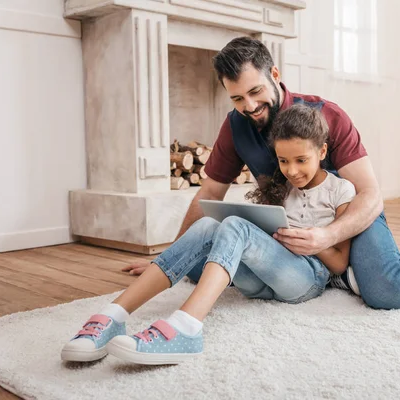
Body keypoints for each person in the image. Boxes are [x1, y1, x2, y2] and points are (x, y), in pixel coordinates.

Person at [123, 36, 400, 309]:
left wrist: (327, 236)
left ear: (274, 73)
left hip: (346, 216)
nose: (250, 106)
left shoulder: (328, 115)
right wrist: (170, 257)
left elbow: (370, 194)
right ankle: (338, 275)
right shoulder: (235, 125)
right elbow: (209, 192)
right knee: (193, 269)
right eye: (237, 98)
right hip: (293, 229)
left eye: (256, 92)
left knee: (388, 292)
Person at [61, 104, 357, 364]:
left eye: (301, 160)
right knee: (208, 225)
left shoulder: (340, 190)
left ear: (322, 151)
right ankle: (113, 316)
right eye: (283, 161)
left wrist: (313, 241)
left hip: (306, 278)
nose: (291, 170)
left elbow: (339, 263)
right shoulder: (282, 186)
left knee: (234, 226)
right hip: (260, 281)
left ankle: (187, 327)